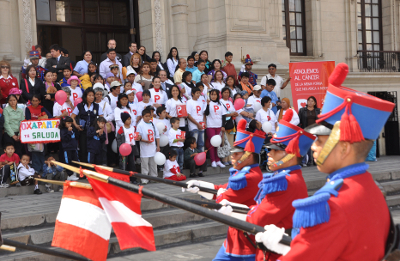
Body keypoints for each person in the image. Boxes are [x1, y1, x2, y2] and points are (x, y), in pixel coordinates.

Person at [256, 63, 394, 260]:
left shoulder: (334, 204)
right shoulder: (369, 187)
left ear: (345, 147)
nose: (313, 146)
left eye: (320, 141)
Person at [218, 119, 316, 261]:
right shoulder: (287, 177)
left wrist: (232, 210)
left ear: (291, 155)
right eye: (270, 149)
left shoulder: (285, 181)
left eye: (276, 150)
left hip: (275, 252)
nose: (269, 153)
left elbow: (258, 218)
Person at [184, 119, 266, 259]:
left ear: (249, 156)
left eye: (236, 154)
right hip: (234, 238)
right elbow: (222, 189)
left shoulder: (250, 177)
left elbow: (225, 197)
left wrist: (214, 193)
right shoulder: (243, 173)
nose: (232, 157)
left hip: (246, 241)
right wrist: (200, 186)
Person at [71, 88, 103, 162]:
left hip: (94, 132)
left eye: (92, 95)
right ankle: (83, 167)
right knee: (83, 149)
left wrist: (101, 129)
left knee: (93, 150)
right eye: (89, 95)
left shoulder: (97, 106)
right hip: (83, 131)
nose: (92, 97)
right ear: (85, 96)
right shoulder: (80, 106)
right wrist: (76, 125)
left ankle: (93, 167)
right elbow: (72, 117)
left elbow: (102, 119)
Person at [25, 95, 52, 174]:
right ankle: (36, 169)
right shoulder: (28, 108)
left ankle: (43, 169)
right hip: (33, 133)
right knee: (34, 151)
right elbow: (28, 119)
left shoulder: (42, 108)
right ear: (31, 101)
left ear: (39, 101)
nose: (35, 102)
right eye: (33, 100)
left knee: (42, 151)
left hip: (42, 133)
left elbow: (50, 117)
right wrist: (39, 120)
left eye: (36, 100)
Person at [137, 108, 160, 184]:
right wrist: (145, 141)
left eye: (149, 116)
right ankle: (144, 179)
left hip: (152, 147)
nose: (148, 118)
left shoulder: (152, 124)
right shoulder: (140, 125)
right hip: (144, 148)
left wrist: (158, 146)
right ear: (143, 116)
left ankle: (154, 178)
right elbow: (138, 137)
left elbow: (157, 135)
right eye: (146, 116)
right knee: (145, 165)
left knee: (153, 164)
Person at [204, 89, 226, 168]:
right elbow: (206, 113)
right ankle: (213, 160)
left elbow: (223, 116)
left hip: (219, 126)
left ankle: (218, 160)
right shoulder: (208, 103)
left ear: (218, 95)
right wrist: (207, 105)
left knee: (218, 143)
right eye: (212, 94)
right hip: (210, 126)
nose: (213, 96)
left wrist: (223, 126)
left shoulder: (221, 104)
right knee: (212, 143)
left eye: (215, 94)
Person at [116, 113, 138, 183]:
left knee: (132, 164)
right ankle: (124, 180)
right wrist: (121, 148)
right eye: (128, 119)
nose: (130, 121)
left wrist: (138, 137)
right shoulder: (121, 129)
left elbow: (136, 136)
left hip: (132, 147)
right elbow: (118, 139)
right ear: (124, 120)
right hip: (125, 149)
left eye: (130, 119)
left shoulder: (133, 128)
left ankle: (133, 179)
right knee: (124, 164)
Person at [298, 96, 321, 166]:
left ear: (314, 103)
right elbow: (299, 121)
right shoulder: (302, 110)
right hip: (306, 130)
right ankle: (307, 161)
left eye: (312, 101)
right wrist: (300, 130)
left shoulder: (318, 110)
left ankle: (315, 160)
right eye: (308, 101)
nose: (310, 102)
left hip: (316, 130)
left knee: (316, 146)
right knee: (307, 146)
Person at [220, 87, 239, 164]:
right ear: (222, 93)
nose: (226, 94)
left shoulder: (230, 102)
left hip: (230, 123)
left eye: (228, 92)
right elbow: (222, 114)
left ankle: (230, 159)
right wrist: (231, 114)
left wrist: (235, 113)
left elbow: (233, 111)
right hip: (223, 124)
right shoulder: (220, 102)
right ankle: (224, 159)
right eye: (225, 92)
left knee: (230, 142)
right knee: (224, 142)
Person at [59, 117, 79, 181]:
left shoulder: (72, 129)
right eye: (68, 123)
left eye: (71, 123)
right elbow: (65, 139)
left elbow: (76, 137)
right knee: (68, 161)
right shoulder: (63, 130)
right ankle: (69, 174)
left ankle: (74, 173)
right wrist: (69, 132)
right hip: (67, 148)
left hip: (74, 147)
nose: (70, 125)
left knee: (75, 160)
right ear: (64, 123)